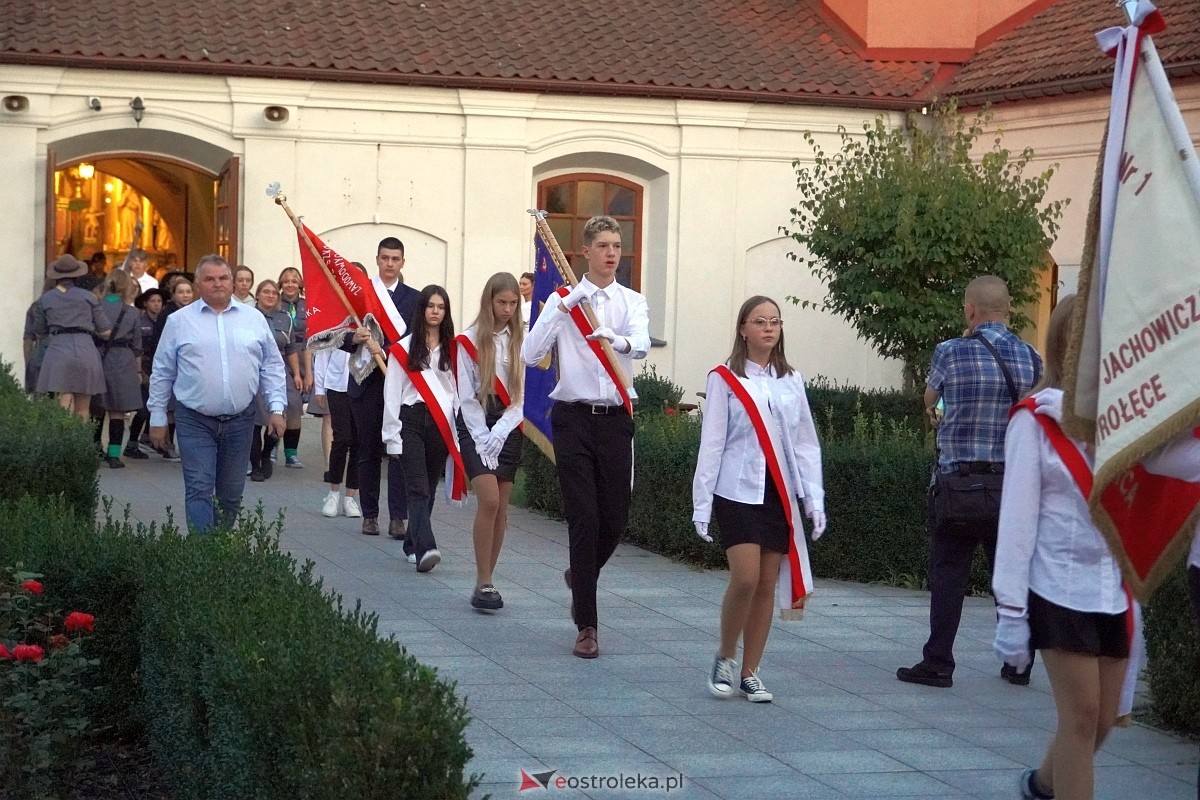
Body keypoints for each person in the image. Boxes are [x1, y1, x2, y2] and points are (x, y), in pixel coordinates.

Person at [992, 294, 1130, 800]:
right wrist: (1011, 613)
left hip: (1113, 587)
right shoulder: (1034, 421)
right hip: (1058, 585)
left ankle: (1040, 785)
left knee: (1104, 720)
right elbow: (1016, 523)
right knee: (1081, 717)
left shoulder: (1127, 421)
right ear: (1064, 345)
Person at [898, 275, 1042, 688]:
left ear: (970, 310)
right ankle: (1018, 663)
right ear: (1009, 310)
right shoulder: (1032, 357)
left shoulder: (950, 351)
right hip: (1010, 489)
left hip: (958, 485)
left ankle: (938, 662)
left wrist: (940, 411)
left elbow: (931, 401)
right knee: (1010, 574)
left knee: (949, 572)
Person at [521, 215, 650, 658]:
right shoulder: (564, 300)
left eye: (617, 245)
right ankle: (587, 626)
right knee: (584, 518)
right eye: (603, 246)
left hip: (614, 419)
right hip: (573, 419)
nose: (612, 253)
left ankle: (581, 574)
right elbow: (531, 353)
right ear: (586, 251)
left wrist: (618, 341)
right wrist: (565, 306)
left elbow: (642, 342)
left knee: (615, 517)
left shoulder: (631, 300)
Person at [692, 296, 826, 702]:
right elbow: (713, 442)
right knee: (746, 577)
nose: (768, 328)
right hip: (735, 488)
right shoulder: (725, 379)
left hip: (777, 491)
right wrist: (701, 502)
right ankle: (725, 656)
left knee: (767, 582)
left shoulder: (791, 379)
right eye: (759, 321)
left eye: (775, 321)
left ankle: (751, 672)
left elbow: (805, 443)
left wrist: (814, 499)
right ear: (743, 329)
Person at [148, 255, 287, 534]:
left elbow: (272, 365)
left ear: (232, 282)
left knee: (231, 493)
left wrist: (276, 408)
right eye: (209, 279)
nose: (217, 284)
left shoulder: (254, 319)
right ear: (198, 284)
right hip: (194, 420)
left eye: (223, 278)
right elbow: (162, 371)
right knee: (199, 487)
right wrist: (157, 416)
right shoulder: (179, 321)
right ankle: (203, 551)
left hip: (240, 420)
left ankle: (220, 546)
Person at [455, 273, 525, 611]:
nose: (507, 309)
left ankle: (488, 580)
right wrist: (484, 436)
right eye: (501, 302)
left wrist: (502, 430)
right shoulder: (467, 341)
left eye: (513, 303)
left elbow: (524, 395)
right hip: (475, 422)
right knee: (489, 500)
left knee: (502, 507)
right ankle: (482, 579)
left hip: (509, 424)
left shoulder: (522, 341)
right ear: (489, 301)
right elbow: (465, 396)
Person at [345, 237, 420, 537]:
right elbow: (341, 333)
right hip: (366, 383)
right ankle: (370, 515)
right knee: (368, 450)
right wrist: (355, 339)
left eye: (395, 259)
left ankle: (398, 517)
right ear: (377, 259)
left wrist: (386, 351)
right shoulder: (361, 293)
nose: (389, 264)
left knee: (398, 450)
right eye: (385, 258)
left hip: (399, 383)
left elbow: (416, 340)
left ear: (403, 262)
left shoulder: (414, 299)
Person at [382, 285, 459, 573]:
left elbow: (458, 391)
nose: (435, 311)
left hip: (441, 423)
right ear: (422, 309)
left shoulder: (453, 349)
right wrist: (391, 436)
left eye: (441, 307)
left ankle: (412, 543)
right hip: (411, 420)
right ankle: (427, 547)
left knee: (429, 486)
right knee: (417, 488)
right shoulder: (404, 349)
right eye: (430, 306)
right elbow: (392, 393)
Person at [33, 255, 111, 419]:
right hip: (85, 347)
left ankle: (63, 434)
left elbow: (40, 331)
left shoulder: (45, 299)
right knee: (83, 407)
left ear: (56, 276)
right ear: (77, 275)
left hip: (58, 348)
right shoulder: (89, 297)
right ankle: (79, 436)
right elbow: (105, 330)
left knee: (62, 404)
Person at [248, 279, 302, 482]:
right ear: (258, 295)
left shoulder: (285, 318)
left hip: (278, 371)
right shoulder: (248, 316)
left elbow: (291, 348)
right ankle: (256, 465)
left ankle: (267, 454)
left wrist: (296, 373)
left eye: (273, 293)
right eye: (266, 292)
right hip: (254, 370)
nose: (270, 295)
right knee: (254, 420)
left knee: (280, 414)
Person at [95, 269, 143, 468]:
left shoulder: (95, 307)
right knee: (117, 411)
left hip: (97, 357)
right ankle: (114, 455)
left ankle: (95, 449)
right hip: (123, 360)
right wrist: (138, 371)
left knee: (96, 409)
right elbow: (137, 345)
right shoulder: (131, 312)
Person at [312, 344, 360, 517]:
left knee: (358, 442)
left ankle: (350, 497)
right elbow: (323, 353)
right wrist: (319, 388)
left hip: (362, 385)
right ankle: (333, 492)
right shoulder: (334, 329)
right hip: (337, 386)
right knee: (341, 438)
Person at [125, 287, 165, 460]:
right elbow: (137, 349)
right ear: (146, 304)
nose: (156, 304)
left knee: (155, 408)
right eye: (153, 301)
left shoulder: (163, 322)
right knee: (143, 409)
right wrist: (140, 371)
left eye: (159, 301)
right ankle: (132, 444)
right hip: (144, 368)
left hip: (159, 369)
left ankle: (147, 438)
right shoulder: (141, 323)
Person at [278, 266, 310, 468]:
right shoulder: (274, 303)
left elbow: (311, 336)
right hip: (280, 356)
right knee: (275, 404)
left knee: (295, 405)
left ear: (300, 285)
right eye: (286, 281)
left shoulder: (308, 305)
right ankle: (271, 447)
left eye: (294, 281)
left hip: (302, 355)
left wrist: (309, 372)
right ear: (280, 284)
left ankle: (291, 453)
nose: (290, 284)